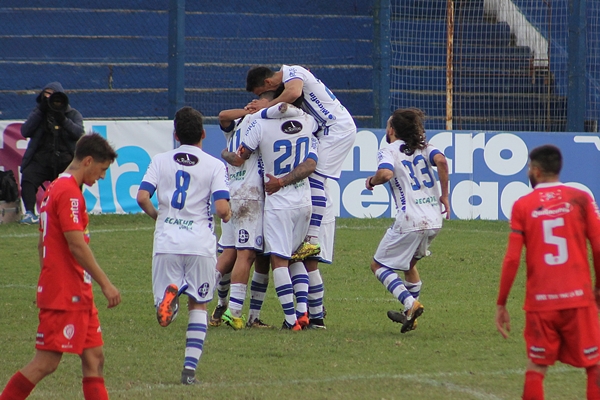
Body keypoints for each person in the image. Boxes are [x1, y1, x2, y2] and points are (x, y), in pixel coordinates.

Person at [0, 133, 121, 400]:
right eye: (101, 170)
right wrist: (106, 283)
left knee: (94, 359)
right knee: (46, 363)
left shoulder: (56, 187)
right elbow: (76, 245)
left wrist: (45, 280)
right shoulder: (69, 193)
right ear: (88, 161)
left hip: (75, 291)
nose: (101, 178)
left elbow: (42, 245)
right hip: (67, 292)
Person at [495, 144, 600, 399]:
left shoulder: (523, 204)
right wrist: (598, 287)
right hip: (578, 299)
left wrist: (502, 303)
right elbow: (598, 245)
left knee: (537, 366)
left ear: (537, 170)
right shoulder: (580, 198)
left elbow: (511, 259)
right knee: (594, 365)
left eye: (529, 168)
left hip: (540, 303)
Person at [136, 106, 231, 385]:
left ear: (176, 135)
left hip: (167, 241)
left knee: (167, 307)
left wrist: (159, 217)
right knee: (199, 305)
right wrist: (227, 213)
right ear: (203, 133)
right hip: (199, 244)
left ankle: (172, 292)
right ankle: (189, 372)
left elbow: (142, 196)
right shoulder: (215, 165)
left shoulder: (160, 160)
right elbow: (222, 207)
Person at [245, 65, 357, 260]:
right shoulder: (293, 77)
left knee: (315, 178)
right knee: (314, 178)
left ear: (268, 83)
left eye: (263, 93)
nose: (266, 97)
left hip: (336, 129)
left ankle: (312, 240)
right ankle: (311, 236)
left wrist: (265, 107)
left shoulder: (293, 71)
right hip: (329, 129)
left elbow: (294, 92)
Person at [365, 108, 449, 334]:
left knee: (378, 265)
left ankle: (410, 304)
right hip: (433, 220)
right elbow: (442, 161)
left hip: (409, 219)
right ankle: (409, 314)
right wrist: (444, 195)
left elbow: (385, 174)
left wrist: (372, 181)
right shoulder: (425, 148)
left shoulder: (388, 150)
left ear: (391, 130)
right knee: (409, 265)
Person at [238, 97, 320, 330]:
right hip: (304, 201)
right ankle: (303, 312)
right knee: (296, 257)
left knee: (279, 260)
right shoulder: (308, 122)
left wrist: (225, 154)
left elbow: (240, 156)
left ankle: (291, 320)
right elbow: (311, 164)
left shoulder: (260, 124)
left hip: (278, 202)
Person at [19, 82, 85, 224]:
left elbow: (78, 133)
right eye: (46, 95)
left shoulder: (73, 114)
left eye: (53, 96)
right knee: (28, 175)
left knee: (76, 177)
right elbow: (25, 131)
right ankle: (30, 212)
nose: (49, 99)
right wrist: (41, 111)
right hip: (41, 159)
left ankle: (74, 211)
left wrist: (63, 119)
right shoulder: (39, 113)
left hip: (65, 158)